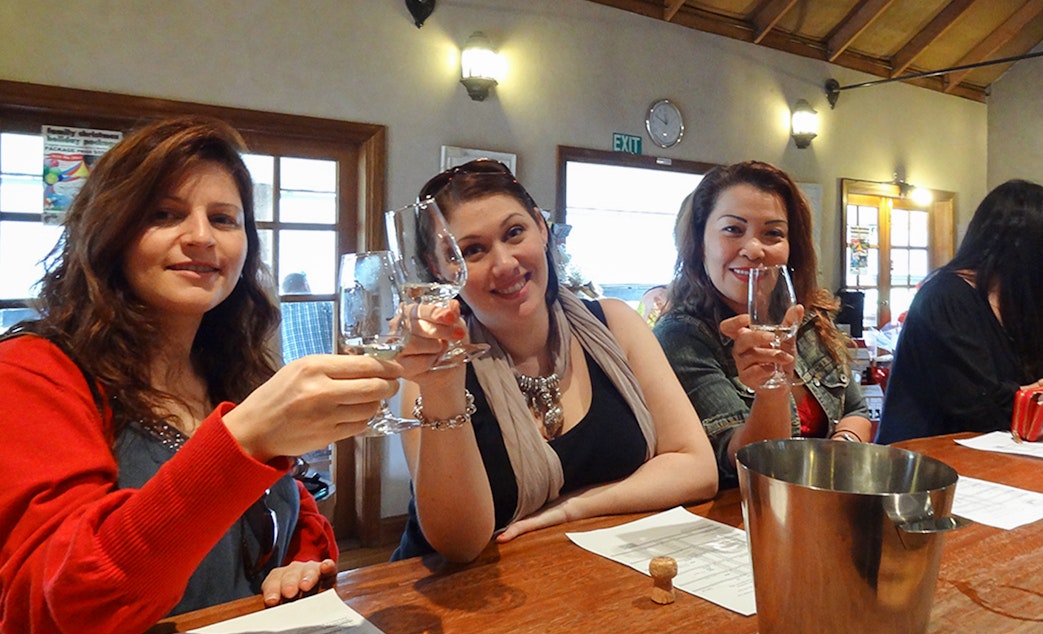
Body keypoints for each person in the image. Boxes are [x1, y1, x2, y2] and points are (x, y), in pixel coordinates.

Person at [0, 116, 406, 634]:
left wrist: (303, 565)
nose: (200, 237)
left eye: (224, 218)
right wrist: (241, 443)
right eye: (164, 214)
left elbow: (292, 513)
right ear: (110, 232)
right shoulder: (33, 372)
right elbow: (57, 613)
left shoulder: (227, 367)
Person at [391, 159, 718, 563]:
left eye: (515, 233)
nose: (505, 263)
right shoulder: (432, 369)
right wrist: (443, 389)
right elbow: (459, 544)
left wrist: (570, 509)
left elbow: (697, 467)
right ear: (440, 268)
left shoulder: (615, 323)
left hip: (596, 577)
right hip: (464, 601)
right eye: (473, 250)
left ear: (541, 229)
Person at [654, 161, 870, 489]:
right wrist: (772, 390)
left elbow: (856, 409)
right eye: (733, 229)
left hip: (825, 503)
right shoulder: (682, 337)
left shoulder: (807, 318)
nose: (754, 250)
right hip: (741, 520)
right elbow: (744, 463)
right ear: (700, 242)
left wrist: (839, 455)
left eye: (773, 233)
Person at [876, 179, 1043, 443]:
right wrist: (1027, 397)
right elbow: (978, 406)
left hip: (996, 461)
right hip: (926, 464)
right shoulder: (945, 297)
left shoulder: (1020, 304)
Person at [279, 271, 335, 362]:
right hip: (328, 368)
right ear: (305, 285)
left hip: (295, 373)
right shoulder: (323, 304)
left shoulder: (280, 312)